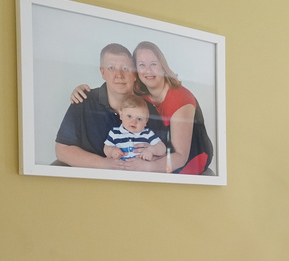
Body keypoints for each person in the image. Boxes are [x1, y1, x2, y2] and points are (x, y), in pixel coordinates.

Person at [71, 41, 214, 174]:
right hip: (159, 153)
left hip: (192, 156)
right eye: (141, 65)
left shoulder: (180, 98)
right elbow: (117, 88)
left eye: (153, 64)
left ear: (162, 66)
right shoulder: (140, 93)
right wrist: (81, 90)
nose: (148, 71)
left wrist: (148, 166)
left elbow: (181, 156)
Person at [55, 43, 168, 170]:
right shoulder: (84, 100)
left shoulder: (149, 109)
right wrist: (104, 164)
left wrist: (152, 157)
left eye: (125, 68)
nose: (119, 75)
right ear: (102, 72)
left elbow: (168, 156)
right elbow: (62, 150)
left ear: (135, 74)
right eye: (111, 68)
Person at [103, 94, 166, 163]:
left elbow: (162, 148)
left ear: (145, 122)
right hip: (121, 170)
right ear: (121, 116)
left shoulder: (147, 133)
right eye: (129, 116)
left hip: (141, 170)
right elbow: (106, 148)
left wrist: (151, 150)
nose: (134, 121)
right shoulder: (115, 133)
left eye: (139, 119)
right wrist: (112, 151)